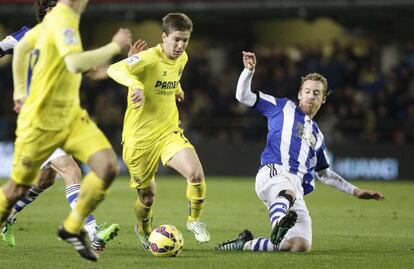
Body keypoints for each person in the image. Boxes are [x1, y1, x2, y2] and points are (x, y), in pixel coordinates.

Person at [0, 0, 132, 261]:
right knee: (49, 177)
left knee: (58, 176)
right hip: (41, 120)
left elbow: (91, 71)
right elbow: (13, 48)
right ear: (47, 13)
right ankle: (92, 229)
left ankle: (71, 227)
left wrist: (129, 64)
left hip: (71, 116)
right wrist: (114, 46)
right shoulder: (36, 32)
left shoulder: (67, 31)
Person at [216, 51, 384, 252]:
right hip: (273, 173)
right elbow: (243, 96)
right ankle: (279, 222)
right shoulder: (282, 107)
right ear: (299, 94)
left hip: (293, 191)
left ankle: (246, 243)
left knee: (299, 246)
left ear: (323, 100)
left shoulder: (318, 136)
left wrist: (356, 191)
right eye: (307, 91)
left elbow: (325, 174)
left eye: (316, 93)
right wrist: (248, 71)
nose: (311, 96)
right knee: (287, 191)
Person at [107, 12, 210, 250]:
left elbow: (172, 76)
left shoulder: (182, 58)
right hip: (139, 140)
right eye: (176, 39)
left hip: (168, 132)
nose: (181, 45)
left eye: (185, 40)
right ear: (163, 37)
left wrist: (178, 89)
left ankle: (194, 221)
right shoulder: (147, 58)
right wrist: (135, 84)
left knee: (195, 174)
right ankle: (143, 228)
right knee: (147, 197)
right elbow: (114, 69)